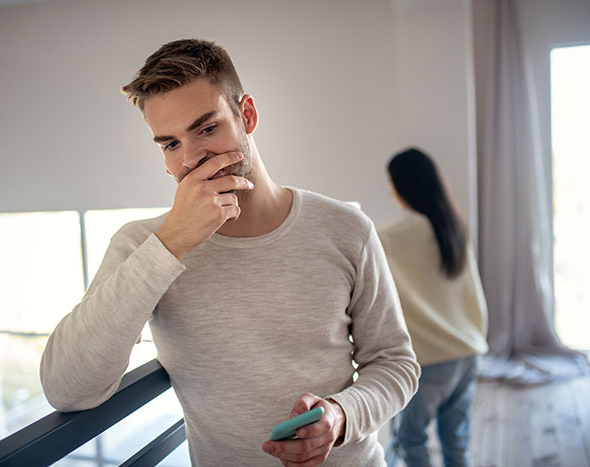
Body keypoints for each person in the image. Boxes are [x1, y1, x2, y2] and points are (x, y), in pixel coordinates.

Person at [40, 39, 419, 467]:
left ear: (247, 116)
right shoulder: (143, 245)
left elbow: (396, 365)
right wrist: (173, 242)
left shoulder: (347, 229)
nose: (192, 158)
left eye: (206, 129)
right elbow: (67, 389)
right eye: (170, 145)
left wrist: (340, 414)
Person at [377, 148, 488, 467]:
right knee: (457, 441)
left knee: (411, 440)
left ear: (402, 186)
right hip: (467, 354)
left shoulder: (390, 239)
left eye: (391, 183)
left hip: (428, 362)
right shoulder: (452, 228)